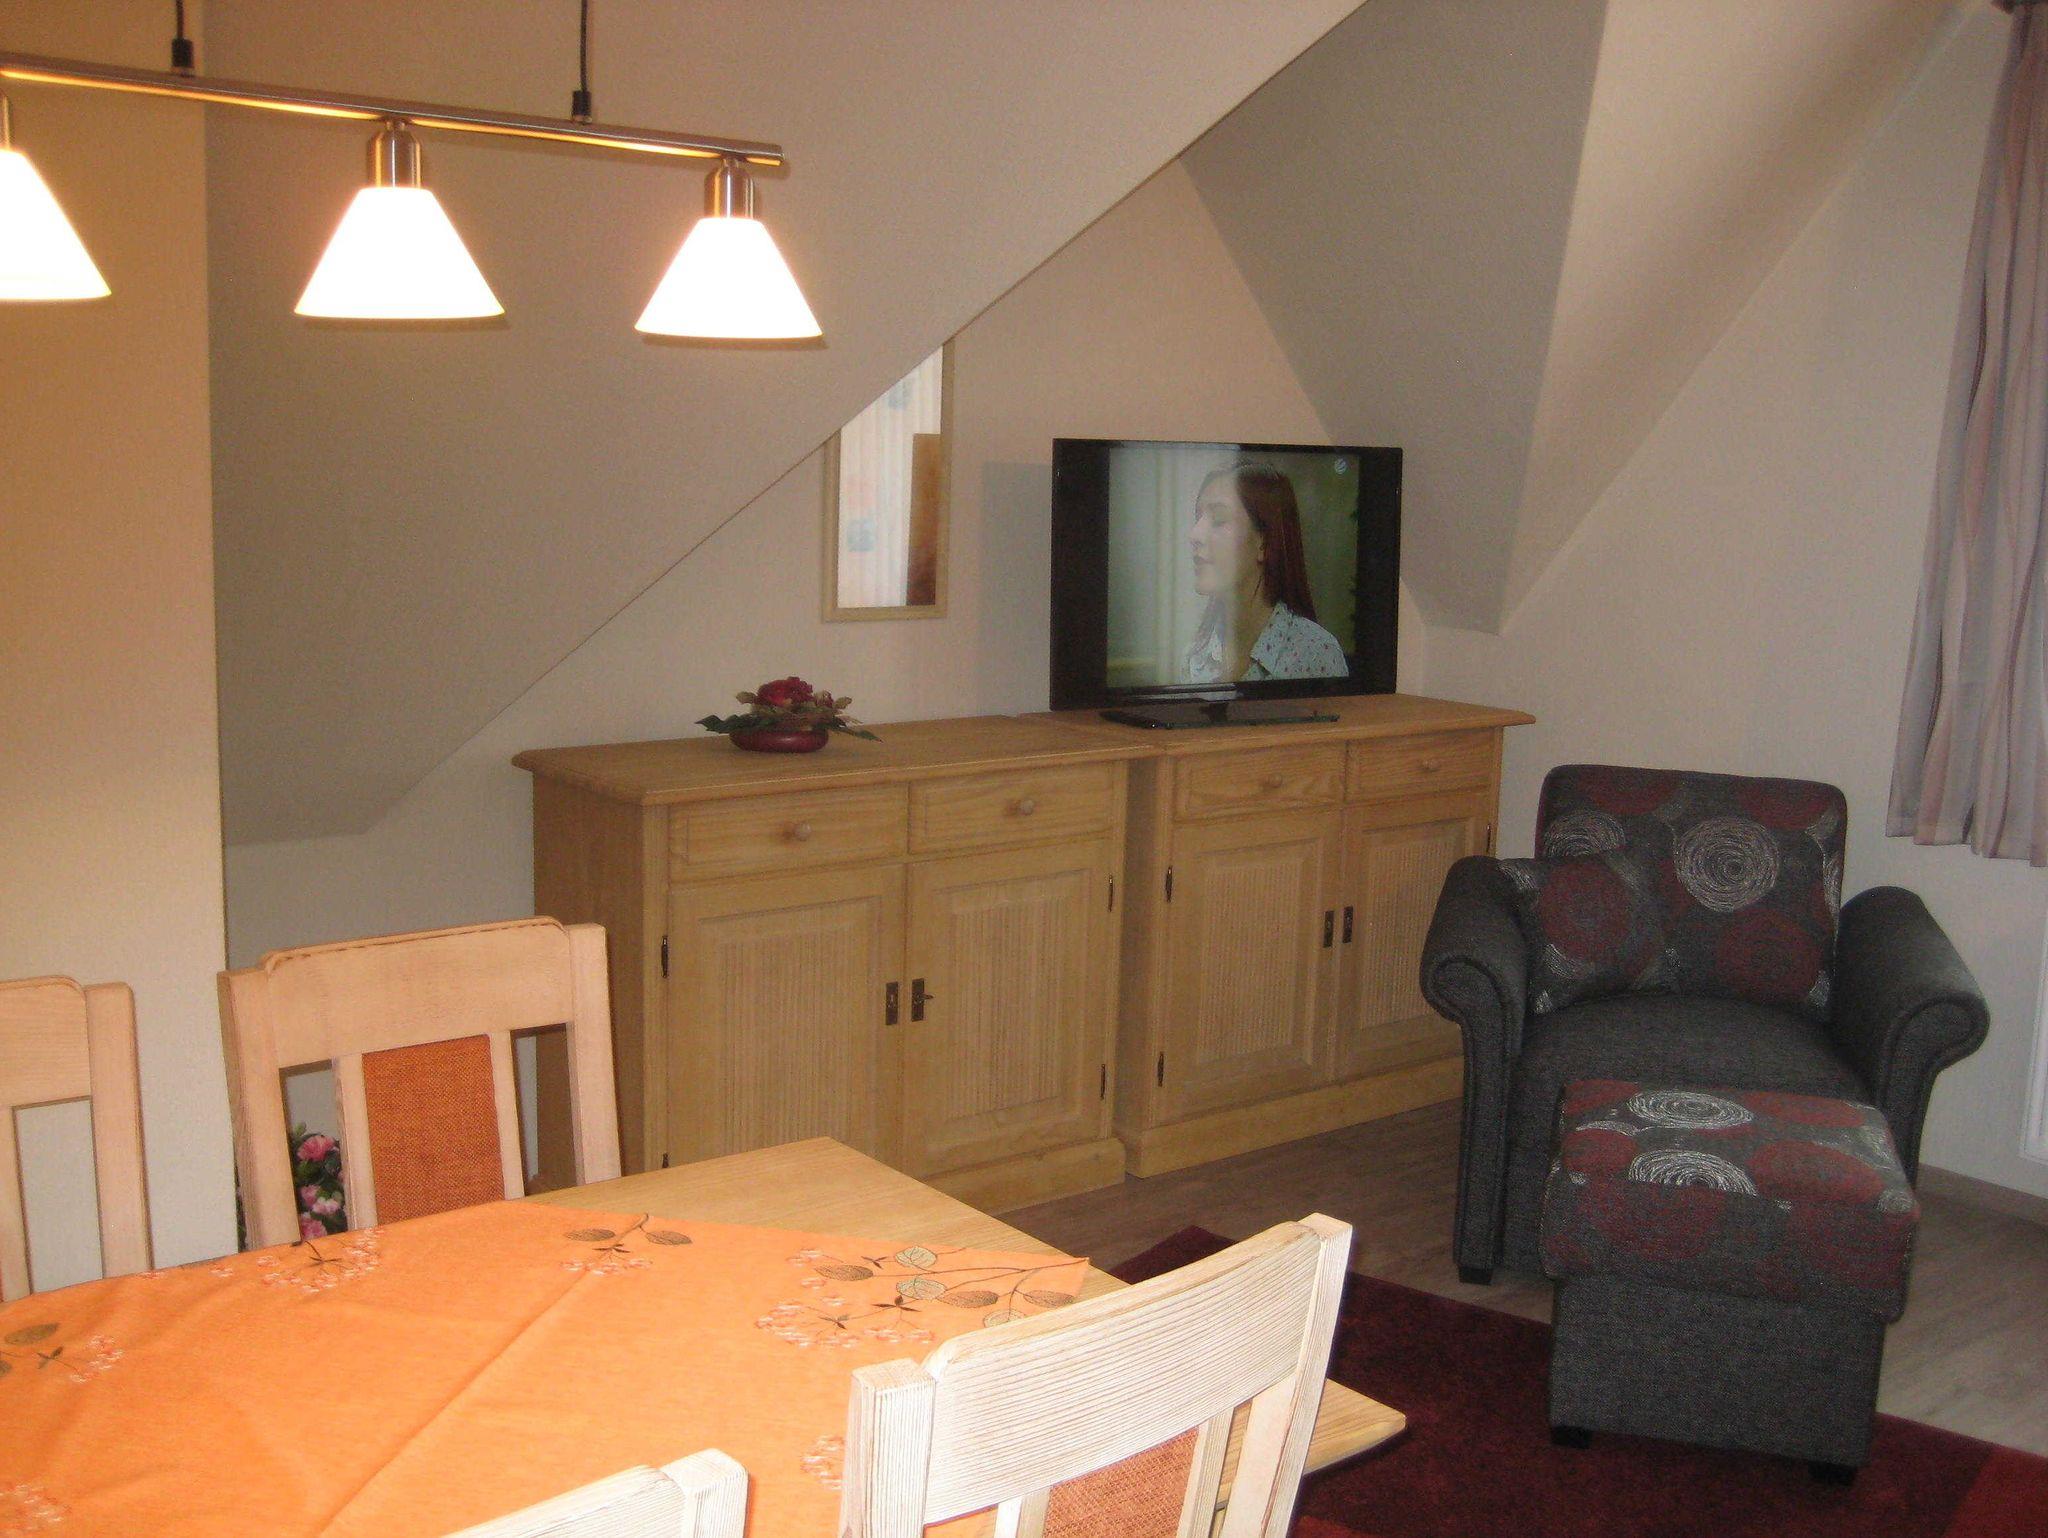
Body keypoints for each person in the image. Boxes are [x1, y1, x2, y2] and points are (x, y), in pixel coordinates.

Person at [1182, 462, 1348, 683]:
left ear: (1264, 543)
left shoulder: (1316, 654)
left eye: (1219, 519)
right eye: (1198, 518)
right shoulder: (1195, 654)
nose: (1194, 534)